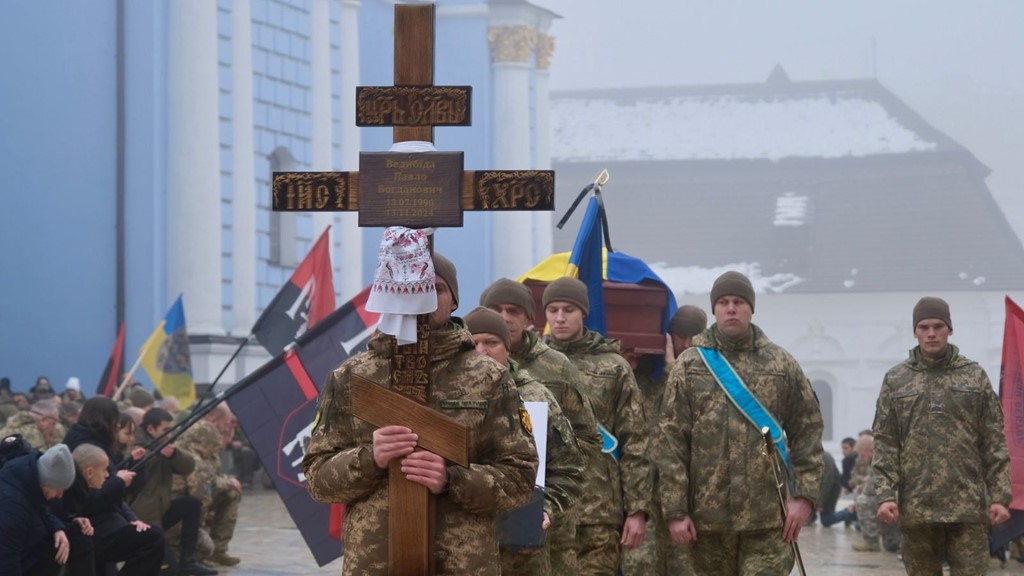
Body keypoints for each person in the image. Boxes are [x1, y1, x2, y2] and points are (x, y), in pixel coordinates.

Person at [303, 253, 539, 575]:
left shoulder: (490, 378)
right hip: (375, 565)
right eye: (411, 286)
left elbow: (520, 480)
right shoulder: (350, 378)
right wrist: (371, 459)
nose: (423, 297)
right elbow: (318, 480)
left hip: (462, 566)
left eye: (436, 288)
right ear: (391, 294)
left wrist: (452, 479)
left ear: (453, 301)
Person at [657, 271, 824, 575]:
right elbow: (671, 443)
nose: (731, 308)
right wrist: (675, 511)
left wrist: (805, 496)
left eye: (738, 301)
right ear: (714, 310)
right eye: (723, 302)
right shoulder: (690, 366)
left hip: (769, 519)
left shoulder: (781, 364)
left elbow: (808, 430)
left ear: (751, 308)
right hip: (706, 521)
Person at [872, 296, 1012, 575]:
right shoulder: (896, 379)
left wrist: (999, 496)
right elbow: (886, 442)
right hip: (916, 509)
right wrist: (885, 495)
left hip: (967, 508)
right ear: (915, 331)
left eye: (938, 326)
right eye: (924, 327)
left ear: (950, 329)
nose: (931, 333)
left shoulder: (973, 376)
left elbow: (994, 440)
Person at [481, 277, 602, 573]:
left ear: (528, 318)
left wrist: (551, 496)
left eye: (513, 310)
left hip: (548, 513)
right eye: (495, 309)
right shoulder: (468, 363)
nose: (504, 317)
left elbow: (585, 439)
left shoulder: (556, 367)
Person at [543, 276, 653, 574]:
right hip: (547, 507)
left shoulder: (614, 366)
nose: (560, 318)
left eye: (569, 309)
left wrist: (638, 509)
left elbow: (635, 441)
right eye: (552, 310)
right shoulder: (533, 363)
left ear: (584, 313)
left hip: (601, 509)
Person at [465, 306, 586, 576]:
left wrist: (547, 509)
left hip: (522, 556)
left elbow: (570, 468)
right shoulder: (445, 400)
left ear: (508, 349)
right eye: (473, 343)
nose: (482, 351)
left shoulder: (536, 396)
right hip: (463, 552)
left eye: (492, 342)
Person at [621, 304, 707, 576]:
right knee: (640, 566)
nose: (685, 344)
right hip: (642, 492)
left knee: (684, 566)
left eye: (692, 336)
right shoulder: (644, 376)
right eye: (679, 336)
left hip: (684, 495)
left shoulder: (706, 376)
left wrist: (673, 368)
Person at [130, 408, 216, 575]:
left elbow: (188, 466)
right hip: (141, 519)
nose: (169, 435)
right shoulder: (136, 449)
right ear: (150, 429)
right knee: (171, 570)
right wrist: (150, 455)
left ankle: (188, 561)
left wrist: (173, 454)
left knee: (191, 505)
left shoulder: (164, 447)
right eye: (165, 430)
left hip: (160, 512)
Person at [61, 443, 165, 576]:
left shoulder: (96, 483)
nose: (106, 475)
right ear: (89, 473)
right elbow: (89, 505)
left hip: (112, 529)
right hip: (97, 537)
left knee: (153, 534)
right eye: (104, 470)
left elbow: (119, 503)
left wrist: (133, 520)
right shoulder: (72, 487)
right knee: (154, 538)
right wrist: (118, 482)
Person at [176, 403, 242, 567]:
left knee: (232, 492)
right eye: (226, 424)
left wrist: (227, 483)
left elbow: (213, 476)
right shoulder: (198, 442)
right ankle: (197, 551)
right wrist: (227, 482)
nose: (226, 429)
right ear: (214, 419)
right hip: (184, 505)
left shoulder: (208, 443)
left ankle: (218, 551)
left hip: (199, 498)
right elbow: (200, 488)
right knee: (205, 545)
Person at [0, 443, 76, 576]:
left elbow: (39, 506)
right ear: (45, 482)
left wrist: (56, 527)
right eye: (58, 488)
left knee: (52, 545)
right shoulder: (12, 508)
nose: (60, 495)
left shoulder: (27, 475)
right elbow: (6, 563)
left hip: (17, 549)